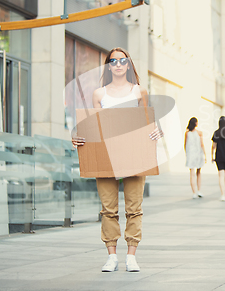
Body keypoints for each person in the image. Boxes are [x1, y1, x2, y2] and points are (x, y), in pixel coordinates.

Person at [72, 47, 162, 273]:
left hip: (134, 155)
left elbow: (147, 121)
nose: (118, 64)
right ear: (108, 65)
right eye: (114, 61)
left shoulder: (139, 91)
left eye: (123, 60)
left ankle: (131, 256)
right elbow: (93, 126)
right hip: (106, 156)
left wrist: (156, 131)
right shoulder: (99, 94)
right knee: (108, 209)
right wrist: (78, 136)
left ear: (129, 64)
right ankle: (111, 256)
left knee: (134, 208)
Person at [184, 117, 206, 198]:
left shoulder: (187, 133)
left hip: (191, 155)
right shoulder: (199, 133)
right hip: (198, 154)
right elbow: (202, 144)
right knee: (198, 173)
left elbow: (185, 144)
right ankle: (199, 190)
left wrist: (187, 154)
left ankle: (194, 192)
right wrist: (205, 154)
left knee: (192, 174)